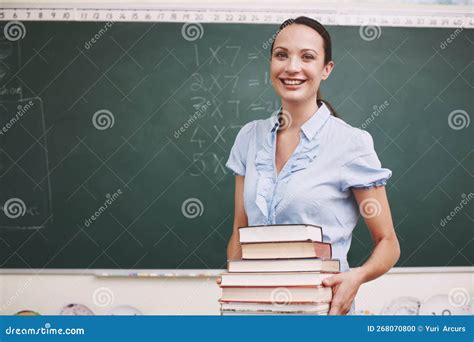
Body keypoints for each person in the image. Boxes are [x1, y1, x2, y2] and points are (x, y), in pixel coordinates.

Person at [225, 16, 400, 315]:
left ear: (326, 69)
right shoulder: (249, 137)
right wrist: (235, 289)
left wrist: (355, 278)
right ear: (270, 64)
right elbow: (240, 230)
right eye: (281, 55)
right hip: (252, 314)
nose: (292, 67)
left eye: (307, 57)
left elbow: (388, 242)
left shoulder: (350, 144)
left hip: (321, 313)